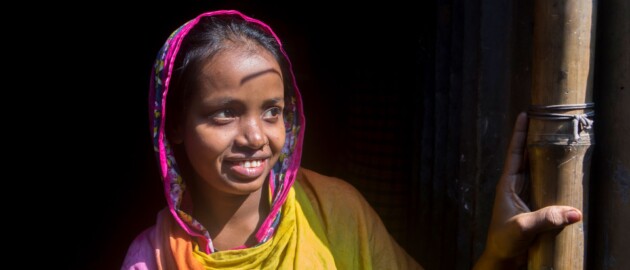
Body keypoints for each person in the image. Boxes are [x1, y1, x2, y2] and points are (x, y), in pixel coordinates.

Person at [122, 10, 583, 269]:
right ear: (174, 125)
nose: (256, 137)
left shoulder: (336, 212)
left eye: (273, 111)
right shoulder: (154, 259)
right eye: (225, 112)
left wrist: (497, 252)